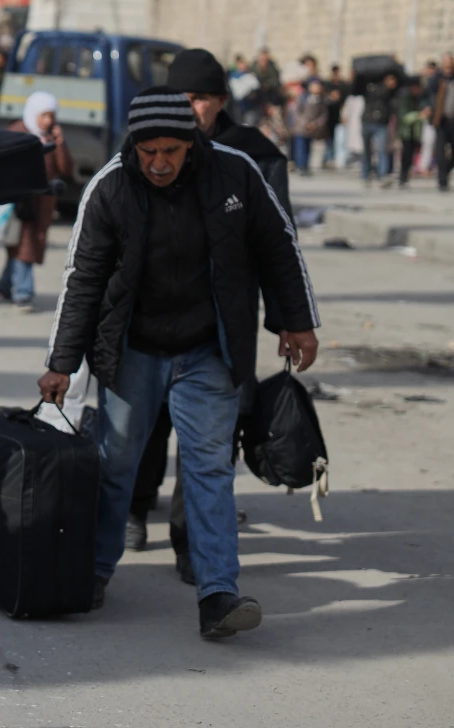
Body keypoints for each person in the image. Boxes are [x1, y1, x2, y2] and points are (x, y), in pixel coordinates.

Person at [39, 87, 319, 639]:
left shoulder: (234, 174)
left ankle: (219, 595)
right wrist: (62, 363)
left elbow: (279, 248)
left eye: (172, 150)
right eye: (150, 152)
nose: (161, 163)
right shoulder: (111, 186)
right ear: (135, 147)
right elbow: (83, 281)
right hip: (133, 351)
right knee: (116, 466)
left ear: (191, 143)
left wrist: (297, 320)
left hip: (209, 350)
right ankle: (92, 573)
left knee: (209, 469)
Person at [128, 48, 294, 572]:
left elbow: (278, 243)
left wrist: (288, 318)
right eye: (180, 97)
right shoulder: (146, 143)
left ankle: (191, 544)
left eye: (199, 98)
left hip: (222, 323)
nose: (189, 107)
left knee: (210, 442)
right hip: (151, 316)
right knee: (145, 423)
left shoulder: (255, 156)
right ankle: (134, 508)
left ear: (221, 102)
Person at [0, 92, 72, 310]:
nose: (48, 121)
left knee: (20, 246)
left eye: (51, 116)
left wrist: (60, 142)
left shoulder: (50, 137)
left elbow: (66, 169)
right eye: (44, 115)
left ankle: (5, 285)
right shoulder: (18, 132)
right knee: (24, 246)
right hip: (20, 203)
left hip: (42, 205)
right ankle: (23, 293)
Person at [362, 70, 399, 187]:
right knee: (367, 150)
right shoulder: (371, 87)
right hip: (368, 120)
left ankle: (382, 175)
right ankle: (366, 174)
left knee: (382, 150)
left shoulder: (393, 92)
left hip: (382, 122)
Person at [396, 75, 431, 188]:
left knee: (411, 155)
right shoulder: (405, 98)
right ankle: (403, 176)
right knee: (406, 155)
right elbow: (404, 117)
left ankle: (406, 176)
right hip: (406, 132)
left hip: (415, 132)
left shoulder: (419, 98)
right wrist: (419, 115)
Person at [288, 81, 326, 176]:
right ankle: (300, 166)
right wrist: (305, 123)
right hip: (301, 128)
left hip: (311, 129)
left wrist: (315, 124)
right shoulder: (303, 98)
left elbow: (323, 115)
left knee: (308, 148)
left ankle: (305, 165)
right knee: (300, 148)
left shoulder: (320, 100)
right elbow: (296, 112)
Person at [432, 54, 454, 191]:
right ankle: (442, 181)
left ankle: (445, 171)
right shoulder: (436, 79)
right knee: (440, 152)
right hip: (441, 120)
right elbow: (428, 93)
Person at [323, 64, 347, 169]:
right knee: (329, 139)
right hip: (329, 116)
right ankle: (327, 158)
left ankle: (335, 158)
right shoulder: (328, 85)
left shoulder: (343, 85)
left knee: (339, 139)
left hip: (338, 115)